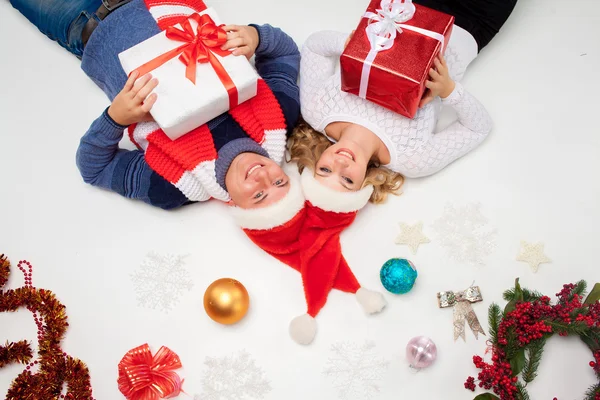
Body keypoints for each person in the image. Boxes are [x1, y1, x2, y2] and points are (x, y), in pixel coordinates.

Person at [9, 0, 300, 210]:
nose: (263, 177)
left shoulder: (172, 185)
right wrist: (256, 36)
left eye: (258, 195)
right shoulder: (280, 117)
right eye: (279, 183)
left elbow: (93, 168)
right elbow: (284, 54)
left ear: (236, 206)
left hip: (84, 19)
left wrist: (116, 118)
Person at [290, 0, 518, 202]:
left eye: (325, 170)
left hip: (406, 6)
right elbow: (478, 128)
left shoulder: (316, 110)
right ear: (364, 185)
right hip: (472, 19)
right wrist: (448, 90)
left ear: (315, 162)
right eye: (347, 180)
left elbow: (314, 47)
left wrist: (349, 45)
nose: (340, 165)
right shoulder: (413, 160)